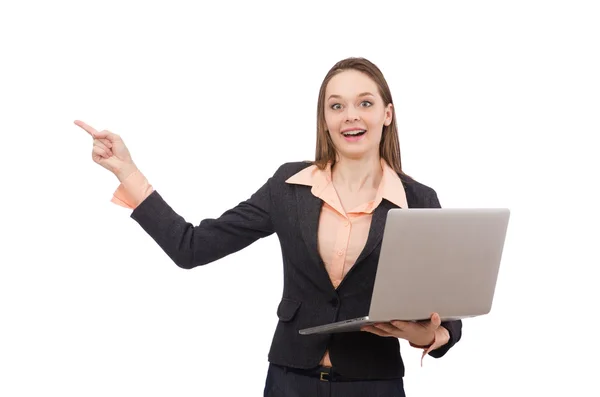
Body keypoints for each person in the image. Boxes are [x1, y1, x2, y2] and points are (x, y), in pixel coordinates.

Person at [76, 57, 462, 397]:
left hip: (374, 384)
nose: (351, 116)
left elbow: (448, 315)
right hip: (290, 381)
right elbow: (190, 247)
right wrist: (128, 172)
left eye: (365, 103)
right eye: (336, 106)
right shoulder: (288, 187)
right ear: (324, 120)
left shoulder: (418, 200)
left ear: (387, 114)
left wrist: (430, 336)